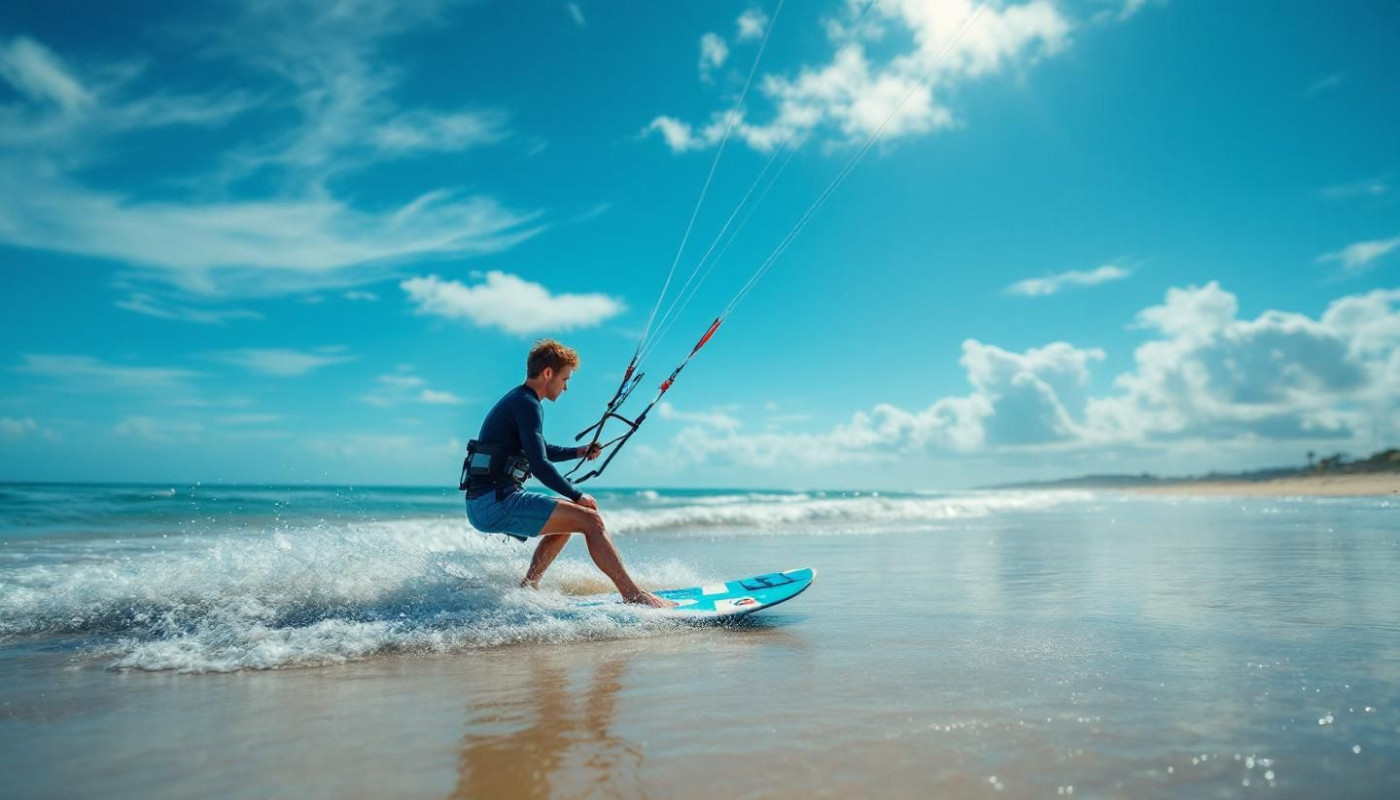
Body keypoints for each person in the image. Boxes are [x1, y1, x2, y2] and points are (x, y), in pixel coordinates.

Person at [461, 339, 674, 608]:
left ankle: (528, 588)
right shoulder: (527, 404)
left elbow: (540, 448)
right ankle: (633, 595)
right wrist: (578, 494)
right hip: (495, 502)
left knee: (570, 520)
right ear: (548, 373)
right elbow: (538, 464)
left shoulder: (520, 400)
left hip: (486, 501)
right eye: (564, 378)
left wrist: (579, 451)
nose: (566, 386)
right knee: (591, 520)